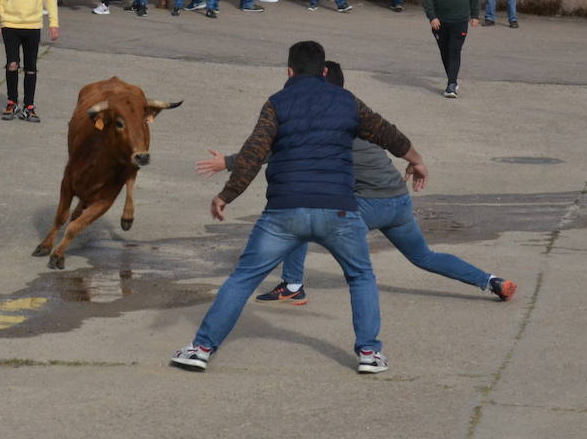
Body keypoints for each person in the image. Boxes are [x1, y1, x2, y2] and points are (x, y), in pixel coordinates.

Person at [170, 40, 428, 375]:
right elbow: (388, 134)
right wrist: (417, 161)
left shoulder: (277, 103)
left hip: (284, 212)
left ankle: (200, 349)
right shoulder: (347, 101)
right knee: (361, 276)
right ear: (324, 72)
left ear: (289, 71)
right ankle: (369, 354)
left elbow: (254, 153)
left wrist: (226, 196)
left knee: (243, 278)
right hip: (338, 211)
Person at [195, 60, 515, 308]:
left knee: (299, 217)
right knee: (424, 257)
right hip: (399, 202)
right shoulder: (353, 114)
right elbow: (393, 140)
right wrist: (413, 161)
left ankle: (292, 287)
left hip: (368, 205)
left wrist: (226, 162)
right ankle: (491, 281)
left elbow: (266, 150)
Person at [423, 0, 480, 98]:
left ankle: (451, 85)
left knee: (454, 51)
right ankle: (452, 78)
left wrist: (475, 15)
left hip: (460, 22)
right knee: (445, 52)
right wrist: (432, 17)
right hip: (440, 23)